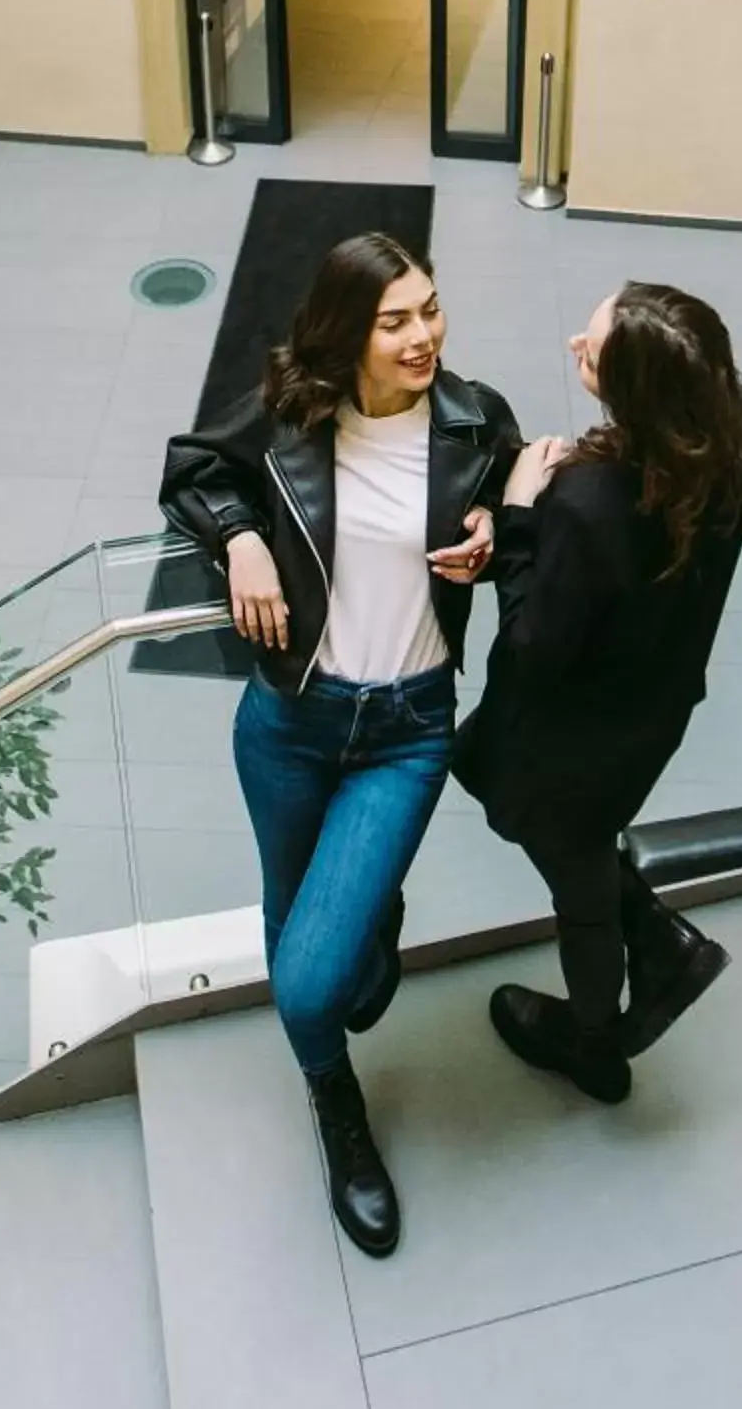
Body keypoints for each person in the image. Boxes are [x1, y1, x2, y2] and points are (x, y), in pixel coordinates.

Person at [159, 233, 521, 1256]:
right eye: (393, 320)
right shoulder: (293, 414)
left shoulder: (470, 416)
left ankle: (358, 980)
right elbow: (192, 470)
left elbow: (516, 485)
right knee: (293, 932)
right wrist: (237, 539)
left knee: (314, 983)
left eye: (430, 311)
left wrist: (494, 521)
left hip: (406, 728)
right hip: (287, 723)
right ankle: (337, 1101)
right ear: (346, 332)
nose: (423, 336)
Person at [454, 281, 742, 1103]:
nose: (572, 347)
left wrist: (520, 512)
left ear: (632, 392)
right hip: (650, 713)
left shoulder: (589, 503)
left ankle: (598, 1045)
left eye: (588, 348)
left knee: (580, 886)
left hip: (568, 750)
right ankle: (658, 940)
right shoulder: (741, 423)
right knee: (590, 858)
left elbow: (528, 651)